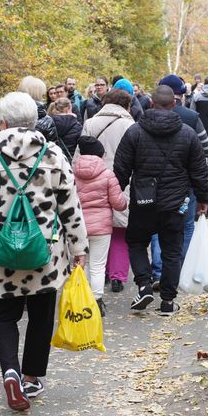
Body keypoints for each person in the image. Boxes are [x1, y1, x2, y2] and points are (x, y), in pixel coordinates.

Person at [0, 91, 88, 412]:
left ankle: (9, 371)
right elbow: (71, 206)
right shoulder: (52, 154)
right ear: (35, 121)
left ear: (1, 122)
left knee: (3, 314)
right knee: (41, 316)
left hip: (3, 251)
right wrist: (79, 248)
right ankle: (30, 377)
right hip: (46, 251)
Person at [113, 86, 208, 315]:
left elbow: (121, 170)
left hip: (143, 201)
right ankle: (167, 301)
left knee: (137, 242)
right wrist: (203, 199)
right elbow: (199, 171)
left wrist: (116, 196)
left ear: (151, 103)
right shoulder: (187, 134)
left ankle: (145, 284)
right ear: (175, 104)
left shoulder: (135, 132)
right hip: (175, 202)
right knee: (172, 251)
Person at [150, 74, 208, 290]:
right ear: (181, 95)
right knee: (185, 226)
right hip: (185, 184)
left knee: (157, 227)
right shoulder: (191, 117)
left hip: (154, 183)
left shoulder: (146, 118)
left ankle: (158, 270)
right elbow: (207, 149)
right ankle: (180, 269)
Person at [81, 89, 135, 293]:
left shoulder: (90, 123)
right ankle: (118, 277)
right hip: (122, 181)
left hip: (92, 181)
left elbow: (80, 153)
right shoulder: (129, 125)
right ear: (126, 105)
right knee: (120, 232)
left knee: (97, 229)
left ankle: (99, 273)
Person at [74, 135, 127, 317]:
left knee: (83, 263)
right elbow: (119, 203)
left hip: (77, 226)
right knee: (98, 265)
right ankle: (97, 302)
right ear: (100, 154)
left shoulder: (71, 172)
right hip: (101, 227)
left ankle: (84, 298)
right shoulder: (107, 174)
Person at [0, 76, 58, 150]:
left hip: (6, 166)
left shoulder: (8, 114)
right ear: (38, 94)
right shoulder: (46, 121)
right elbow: (53, 149)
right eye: (42, 94)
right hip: (36, 166)